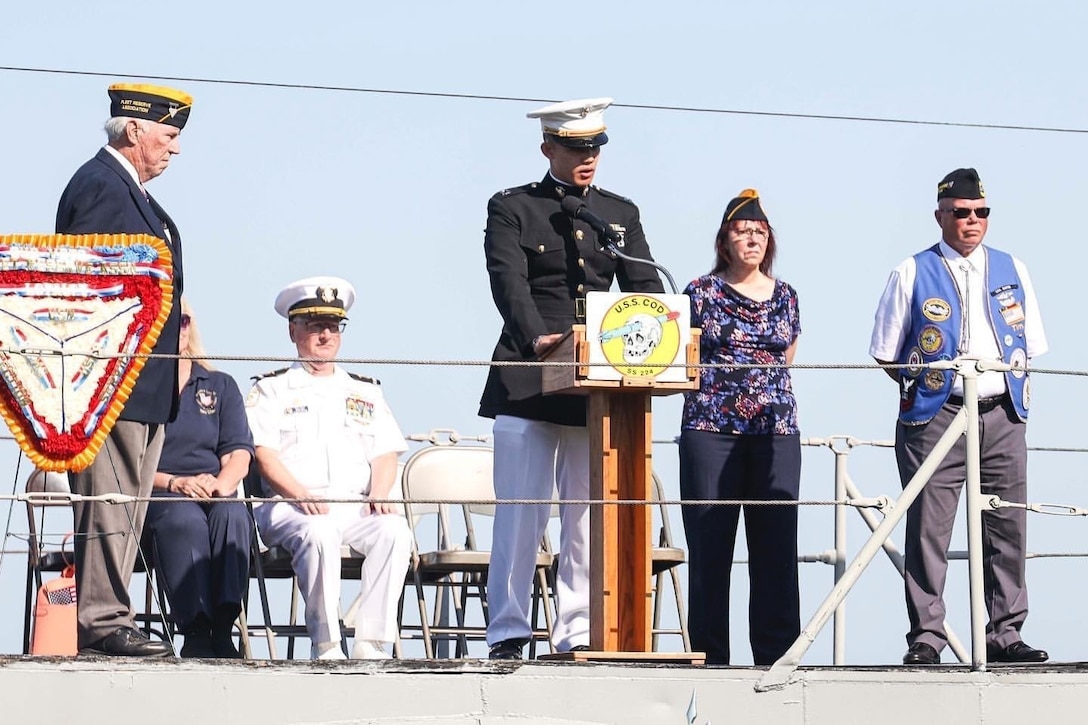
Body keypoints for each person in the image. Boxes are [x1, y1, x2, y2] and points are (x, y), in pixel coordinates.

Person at [480, 97, 665, 660]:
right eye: (576, 149)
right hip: (529, 373)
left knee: (585, 515)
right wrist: (539, 338)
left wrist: (662, 334)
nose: (588, 159)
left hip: (598, 382)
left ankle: (576, 631)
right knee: (521, 512)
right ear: (548, 149)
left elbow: (645, 290)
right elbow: (508, 282)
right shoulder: (514, 207)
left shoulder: (618, 213)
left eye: (595, 149)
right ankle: (508, 631)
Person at [870, 168, 1049, 666]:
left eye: (980, 212)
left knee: (1008, 523)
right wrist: (931, 387)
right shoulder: (911, 270)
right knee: (930, 525)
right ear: (940, 216)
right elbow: (886, 352)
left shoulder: (1014, 268)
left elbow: (1031, 344)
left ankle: (1005, 632)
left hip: (1002, 410)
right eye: (961, 212)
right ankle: (927, 635)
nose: (972, 221)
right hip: (936, 414)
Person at [56, 83, 191, 657]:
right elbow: (89, 291)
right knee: (109, 504)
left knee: (127, 507)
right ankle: (103, 621)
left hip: (143, 383)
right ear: (134, 130)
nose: (175, 149)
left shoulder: (125, 190)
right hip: (113, 382)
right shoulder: (100, 187)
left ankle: (113, 615)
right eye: (169, 134)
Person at [245, 276, 412, 660]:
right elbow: (263, 454)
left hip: (354, 503)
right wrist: (300, 494)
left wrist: (379, 493)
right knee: (318, 532)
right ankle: (327, 642)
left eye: (333, 326)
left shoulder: (365, 389)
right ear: (293, 331)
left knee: (395, 531)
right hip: (291, 504)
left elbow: (386, 451)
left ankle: (373, 643)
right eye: (315, 326)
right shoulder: (272, 389)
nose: (325, 335)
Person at [678, 189, 802, 666]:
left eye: (759, 232)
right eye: (741, 231)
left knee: (775, 549)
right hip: (711, 429)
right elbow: (683, 356)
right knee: (710, 547)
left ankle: (776, 657)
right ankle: (710, 658)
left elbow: (787, 356)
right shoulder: (700, 292)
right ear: (724, 241)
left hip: (774, 433)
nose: (751, 239)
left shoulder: (787, 296)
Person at [145, 300, 253, 658]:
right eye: (170, 319)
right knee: (184, 519)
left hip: (212, 487)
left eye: (185, 319)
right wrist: (174, 483)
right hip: (160, 492)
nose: (179, 327)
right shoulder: (137, 388)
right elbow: (131, 464)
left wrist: (221, 485)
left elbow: (239, 453)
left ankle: (223, 627)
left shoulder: (220, 385)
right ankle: (196, 630)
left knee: (233, 513)